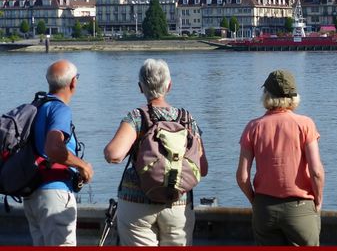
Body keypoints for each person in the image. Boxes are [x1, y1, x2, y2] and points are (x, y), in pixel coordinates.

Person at [103, 58, 208, 246]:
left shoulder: (137, 117)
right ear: (169, 86)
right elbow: (203, 168)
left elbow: (114, 154)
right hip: (178, 203)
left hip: (136, 202)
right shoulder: (187, 119)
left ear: (140, 87)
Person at [236, 69, 325, 246]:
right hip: (300, 207)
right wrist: (318, 201)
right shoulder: (305, 124)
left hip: (264, 208)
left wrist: (255, 201)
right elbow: (316, 172)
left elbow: (242, 177)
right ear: (293, 96)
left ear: (266, 95)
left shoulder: (253, 127)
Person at [23, 59, 94, 246]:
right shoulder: (59, 109)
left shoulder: (38, 106)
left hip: (33, 194)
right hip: (55, 195)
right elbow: (53, 148)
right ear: (73, 82)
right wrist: (82, 166)